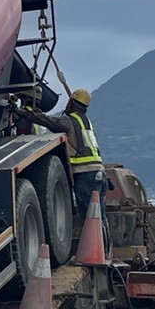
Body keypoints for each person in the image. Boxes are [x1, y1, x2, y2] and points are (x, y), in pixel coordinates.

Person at [44, 87, 105, 222]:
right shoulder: (85, 121)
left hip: (84, 174)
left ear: (71, 104)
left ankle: (95, 243)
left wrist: (25, 112)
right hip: (98, 172)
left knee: (90, 219)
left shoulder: (69, 121)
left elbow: (48, 121)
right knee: (100, 218)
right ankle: (103, 243)